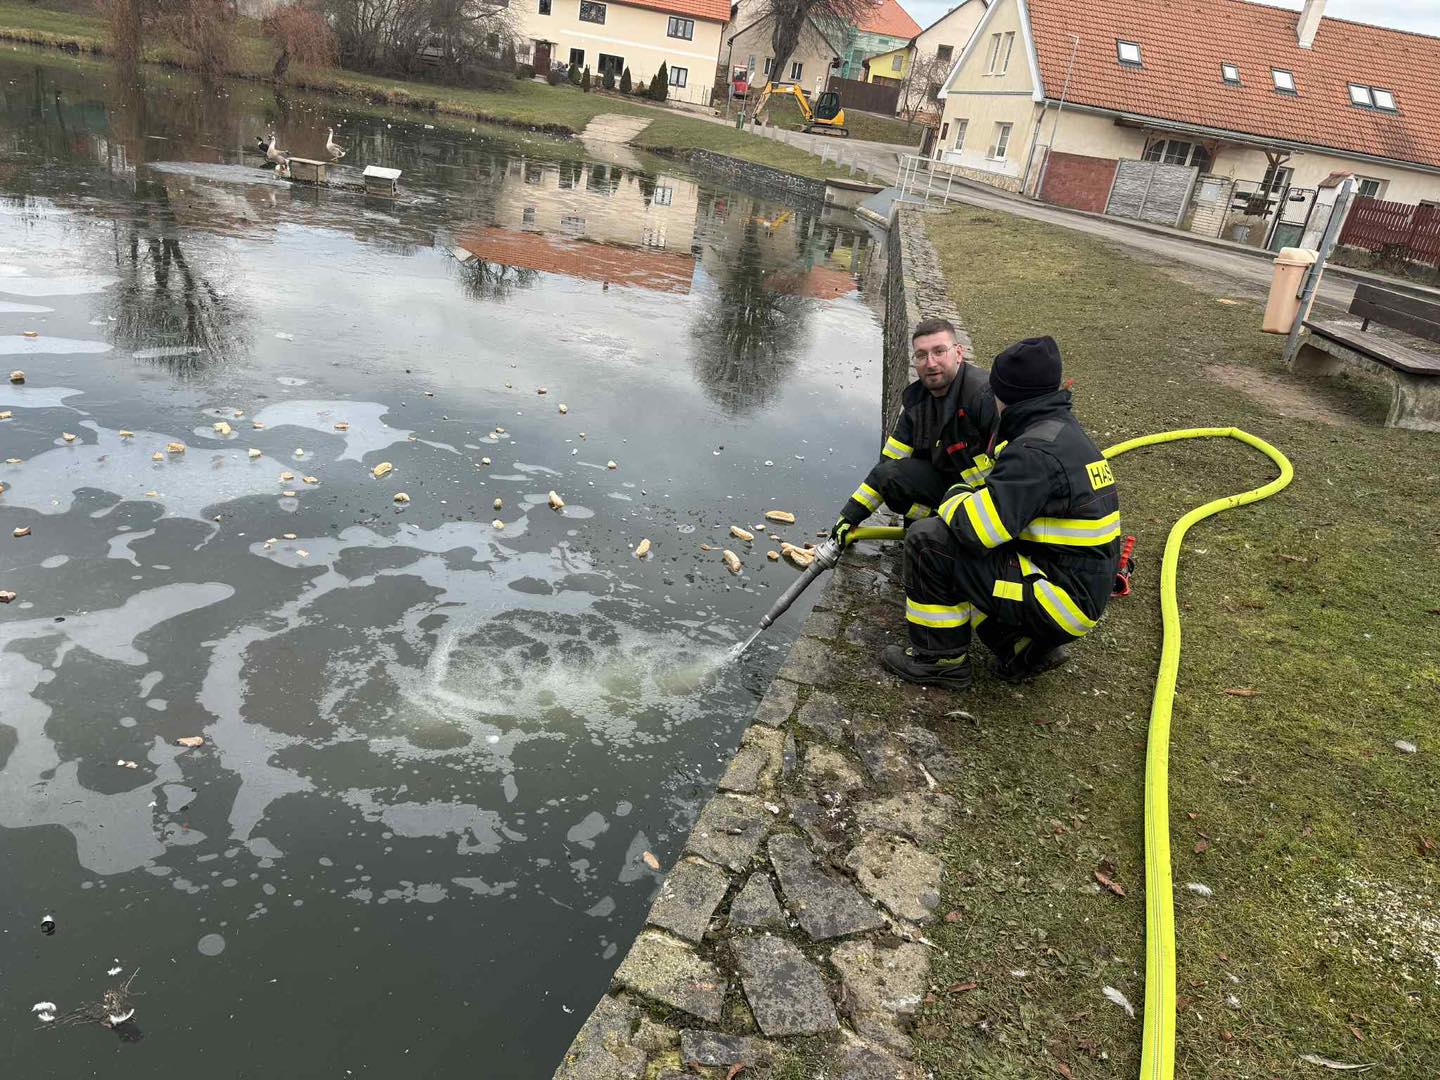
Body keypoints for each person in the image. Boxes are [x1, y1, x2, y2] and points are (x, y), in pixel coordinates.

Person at [881, 336, 1121, 689]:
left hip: (1062, 603)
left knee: (930, 541)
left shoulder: (1033, 453)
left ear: (1006, 395)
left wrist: (955, 492)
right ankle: (1019, 646)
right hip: (1072, 587)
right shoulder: (1061, 431)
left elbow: (973, 530)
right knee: (980, 558)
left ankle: (940, 662)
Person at [829, 317, 997, 548]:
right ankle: (932, 524)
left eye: (939, 351)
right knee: (892, 478)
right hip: (951, 490)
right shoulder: (917, 402)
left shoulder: (983, 397)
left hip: (989, 502)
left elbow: (1012, 470)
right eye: (921, 355)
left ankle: (944, 530)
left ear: (959, 353)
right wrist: (848, 518)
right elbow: (885, 469)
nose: (930, 363)